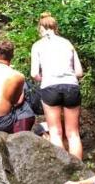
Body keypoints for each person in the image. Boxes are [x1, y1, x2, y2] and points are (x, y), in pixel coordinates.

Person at [30, 13, 84, 159]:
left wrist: (45, 78)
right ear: (55, 28)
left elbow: (34, 73)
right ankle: (79, 172)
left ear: (42, 28)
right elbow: (79, 72)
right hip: (71, 86)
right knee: (73, 133)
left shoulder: (38, 46)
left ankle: (62, 170)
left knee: (55, 132)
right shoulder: (67, 43)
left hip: (50, 87)